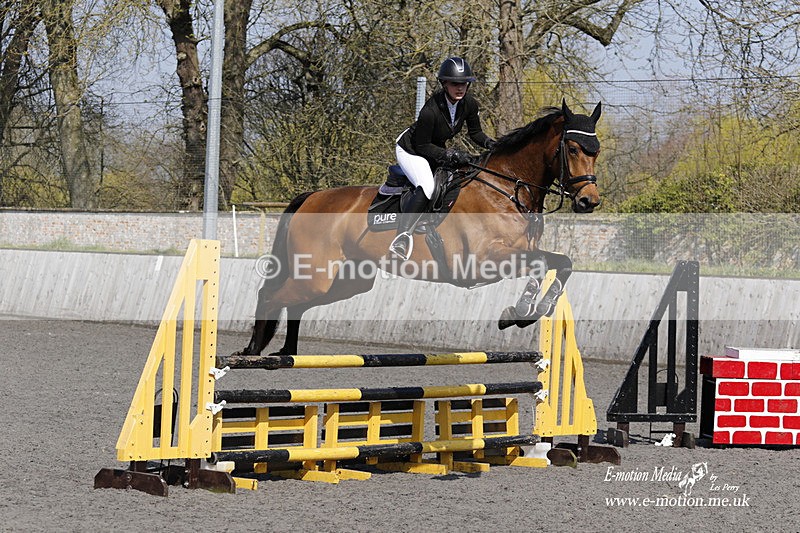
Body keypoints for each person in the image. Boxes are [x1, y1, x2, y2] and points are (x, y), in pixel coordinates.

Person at [389, 56, 496, 260]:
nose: (460, 88)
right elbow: (421, 145)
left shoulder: (469, 104)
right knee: (427, 186)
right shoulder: (430, 110)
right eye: (455, 83)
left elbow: (475, 134)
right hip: (411, 150)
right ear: (444, 84)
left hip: (433, 147)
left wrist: (492, 144)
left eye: (464, 83)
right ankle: (401, 237)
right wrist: (449, 154)